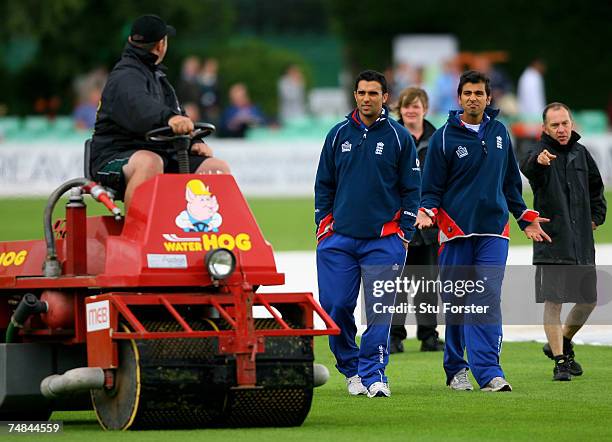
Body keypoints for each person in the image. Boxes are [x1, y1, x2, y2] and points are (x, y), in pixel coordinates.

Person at [415, 70, 550, 392]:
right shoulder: (444, 137)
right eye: (468, 93)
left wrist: (524, 216)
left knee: (486, 298)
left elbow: (510, 184)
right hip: (455, 231)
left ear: (489, 98)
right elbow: (431, 188)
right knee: (459, 304)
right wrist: (426, 211)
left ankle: (490, 372)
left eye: (479, 93)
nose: (473, 98)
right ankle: (455, 370)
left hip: (493, 231)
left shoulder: (501, 133)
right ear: (459, 98)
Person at [315, 70, 421, 398]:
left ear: (385, 98)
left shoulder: (399, 137)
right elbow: (324, 184)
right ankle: (350, 368)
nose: (366, 99)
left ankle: (374, 374)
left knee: (379, 311)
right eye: (361, 93)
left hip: (384, 241)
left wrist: (403, 232)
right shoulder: (336, 135)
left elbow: (412, 189)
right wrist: (324, 228)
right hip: (339, 241)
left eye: (373, 93)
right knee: (335, 306)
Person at [90, 14, 229, 210]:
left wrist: (195, 141)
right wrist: (169, 119)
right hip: (113, 156)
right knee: (150, 162)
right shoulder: (125, 76)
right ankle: (136, 234)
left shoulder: (158, 77)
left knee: (217, 169)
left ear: (131, 41)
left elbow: (179, 114)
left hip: (161, 153)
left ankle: (207, 236)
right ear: (160, 46)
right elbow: (141, 108)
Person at [519, 102, 606, 381]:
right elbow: (529, 166)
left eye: (565, 123)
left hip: (580, 241)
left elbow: (596, 188)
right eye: (554, 125)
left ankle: (563, 340)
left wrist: (597, 216)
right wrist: (539, 162)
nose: (561, 129)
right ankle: (560, 361)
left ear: (572, 124)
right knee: (554, 302)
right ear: (545, 128)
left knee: (589, 300)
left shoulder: (581, 153)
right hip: (552, 240)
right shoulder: (539, 153)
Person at [390, 87, 444, 353]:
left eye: (416, 106)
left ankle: (428, 335)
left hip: (430, 224)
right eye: (406, 106)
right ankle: (394, 336)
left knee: (427, 283)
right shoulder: (391, 136)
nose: (411, 111)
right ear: (400, 109)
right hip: (398, 225)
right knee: (397, 284)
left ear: (425, 108)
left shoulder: (439, 139)